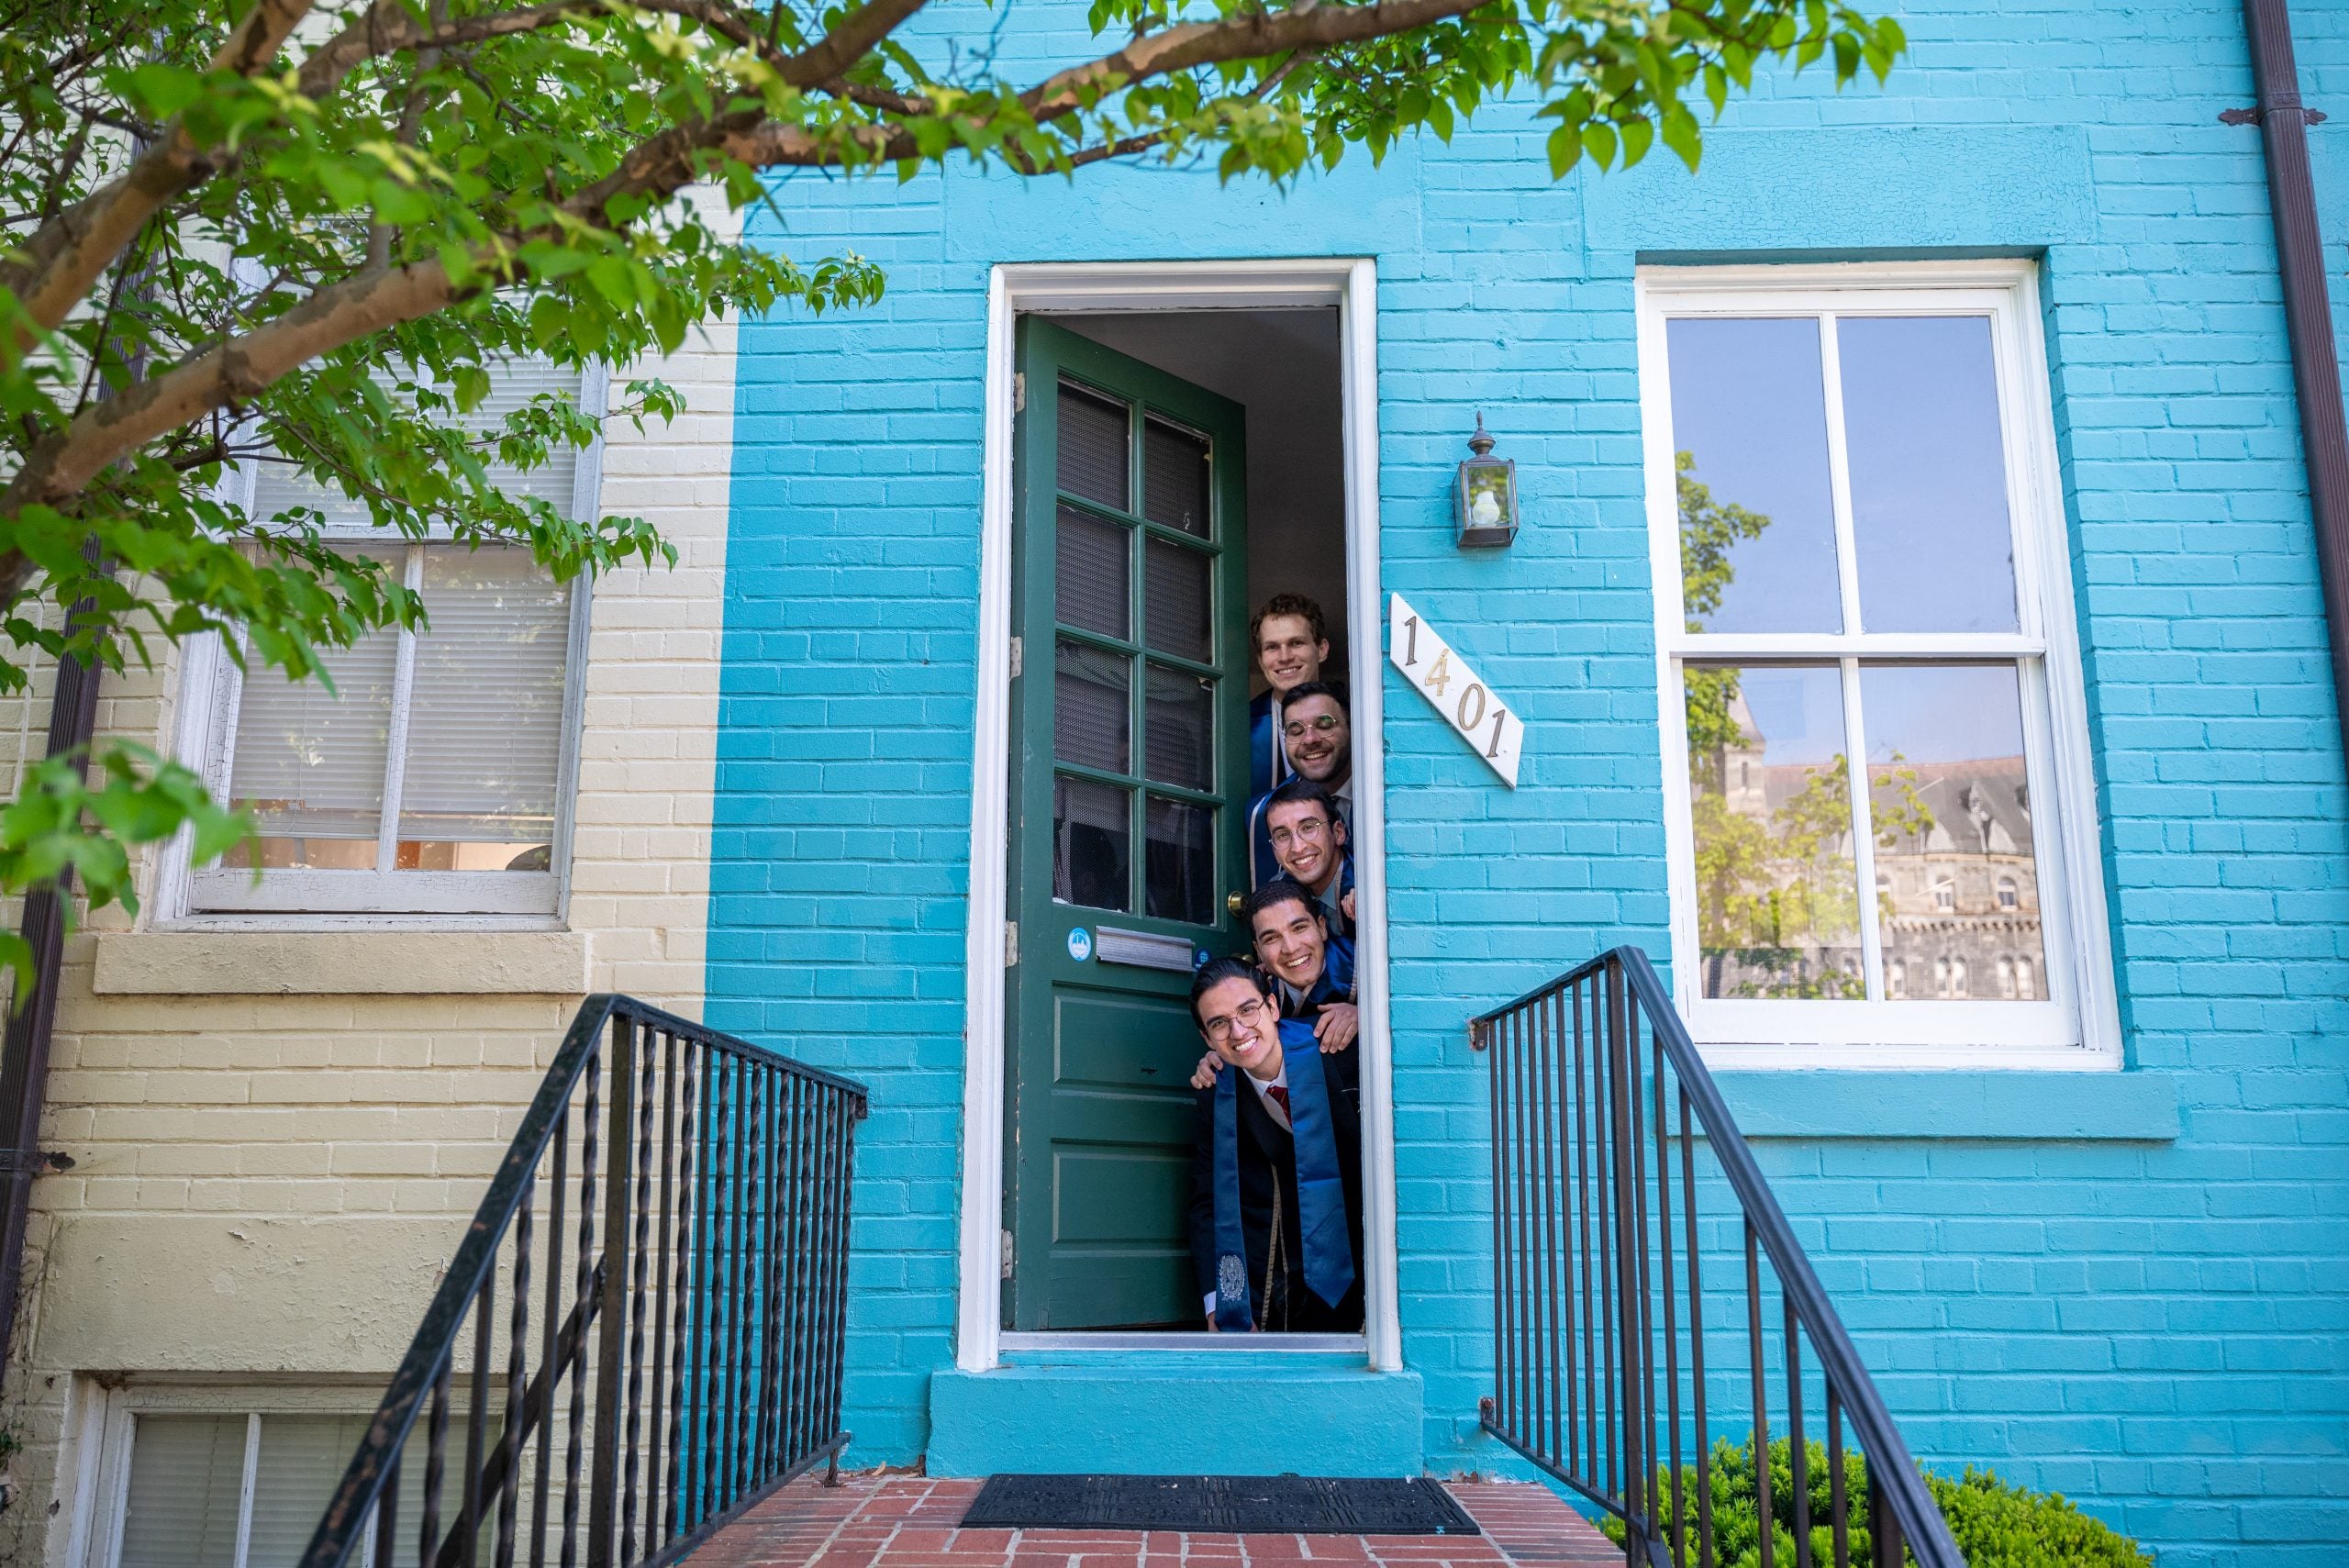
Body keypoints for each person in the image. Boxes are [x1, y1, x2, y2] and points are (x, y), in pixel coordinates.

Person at [1185, 955, 1365, 1333]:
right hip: (1283, 1267)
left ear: (1271, 1006)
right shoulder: (1216, 1093)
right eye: (1219, 1023)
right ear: (1206, 1039)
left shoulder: (1338, 1048)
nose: (1238, 1031)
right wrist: (1218, 1303)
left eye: (1248, 1010)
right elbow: (1207, 1200)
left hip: (1362, 1256)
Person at [1192, 878, 1355, 1090]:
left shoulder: (1367, 969)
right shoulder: (1263, 1000)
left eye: (1299, 928)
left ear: (1322, 928)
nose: (1290, 947)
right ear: (1258, 951)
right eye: (1271, 939)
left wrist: (1369, 1016)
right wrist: (1220, 1057)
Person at [1250, 680, 1353, 885]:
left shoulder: (1386, 796)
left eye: (1324, 725)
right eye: (1296, 731)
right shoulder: (1262, 813)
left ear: (1352, 727)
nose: (1310, 739)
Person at [1247, 594, 1333, 799]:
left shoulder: (1354, 720)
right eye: (1272, 647)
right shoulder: (1241, 729)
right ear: (1260, 659)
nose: (1284, 657)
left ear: (1321, 650)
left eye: (1296, 643)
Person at [1263, 778, 1354, 941]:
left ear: (1338, 833)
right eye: (1282, 835)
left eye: (1309, 827)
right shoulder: (1279, 892)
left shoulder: (1368, 886)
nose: (1298, 848)